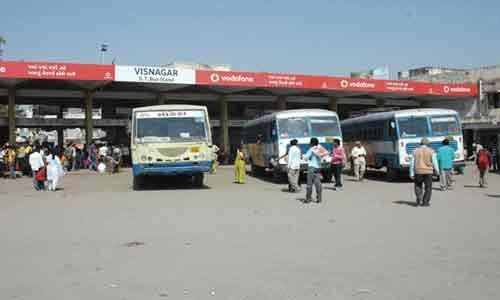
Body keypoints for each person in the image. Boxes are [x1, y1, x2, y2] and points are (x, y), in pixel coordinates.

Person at [410, 138, 439, 207]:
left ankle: (419, 199)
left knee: (418, 186)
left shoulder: (415, 151)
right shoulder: (431, 151)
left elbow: (412, 163)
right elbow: (435, 162)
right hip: (428, 172)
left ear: (420, 143)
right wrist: (437, 171)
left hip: (418, 171)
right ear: (428, 144)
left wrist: (411, 173)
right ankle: (425, 202)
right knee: (428, 187)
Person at [303, 137, 324, 203]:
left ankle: (308, 199)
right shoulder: (320, 148)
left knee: (309, 184)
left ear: (312, 143)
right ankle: (319, 198)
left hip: (311, 167)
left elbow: (306, 158)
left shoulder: (311, 149)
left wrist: (304, 156)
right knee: (318, 183)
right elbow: (323, 156)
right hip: (318, 167)